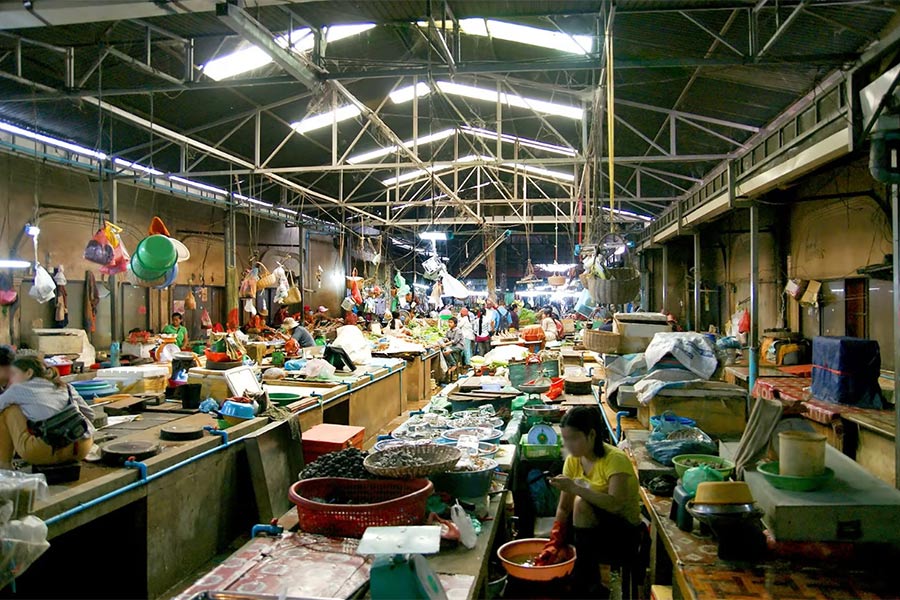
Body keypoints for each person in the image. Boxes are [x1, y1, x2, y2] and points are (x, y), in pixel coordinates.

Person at [538, 406, 643, 593]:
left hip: (623, 532)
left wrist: (576, 488)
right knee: (563, 538)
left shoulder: (615, 460)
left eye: (573, 439)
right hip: (590, 530)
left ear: (591, 435)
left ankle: (588, 584)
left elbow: (616, 505)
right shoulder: (573, 460)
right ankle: (584, 581)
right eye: (565, 439)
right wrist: (555, 540)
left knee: (581, 505)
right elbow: (563, 508)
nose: (568, 445)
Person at [0, 355, 95, 469]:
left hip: (46, 451)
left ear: (29, 373)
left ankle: (4, 465)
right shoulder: (65, 386)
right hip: (81, 448)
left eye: (14, 375)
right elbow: (90, 415)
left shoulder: (17, 389)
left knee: (8, 410)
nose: (11, 380)